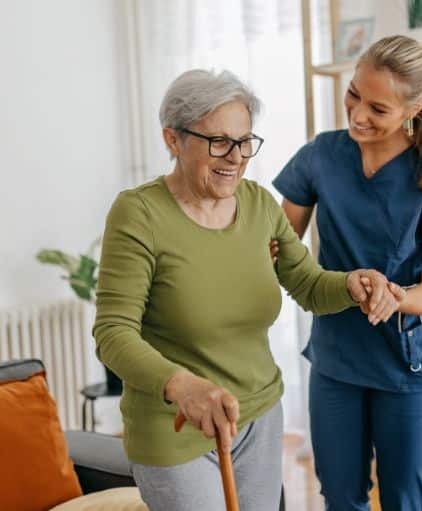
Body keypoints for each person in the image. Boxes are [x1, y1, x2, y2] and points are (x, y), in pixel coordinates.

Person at [93, 69, 400, 511]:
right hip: (175, 424)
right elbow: (113, 332)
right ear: (173, 139)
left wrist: (352, 284)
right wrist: (181, 386)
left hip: (258, 414)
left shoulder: (258, 205)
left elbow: (309, 285)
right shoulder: (139, 214)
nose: (235, 157)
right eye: (218, 141)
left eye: (244, 142)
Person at [273, 35, 422, 511]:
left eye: (378, 108)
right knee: (341, 498)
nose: (358, 114)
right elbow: (279, 247)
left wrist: (396, 296)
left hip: (408, 365)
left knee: (405, 501)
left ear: (415, 108)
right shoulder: (320, 157)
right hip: (337, 360)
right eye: (353, 95)